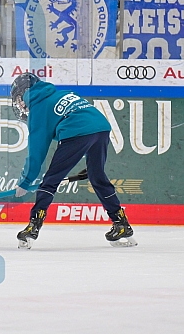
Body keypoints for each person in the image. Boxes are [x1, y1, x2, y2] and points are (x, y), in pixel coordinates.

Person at [11, 72, 136, 249]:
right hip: (101, 127)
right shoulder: (57, 93)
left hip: (78, 132)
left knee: (49, 181)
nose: (20, 105)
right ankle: (121, 224)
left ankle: (33, 227)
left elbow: (36, 153)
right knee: (97, 178)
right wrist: (89, 159)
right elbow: (82, 118)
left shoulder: (38, 108)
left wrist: (25, 181)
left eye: (18, 99)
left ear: (24, 92)